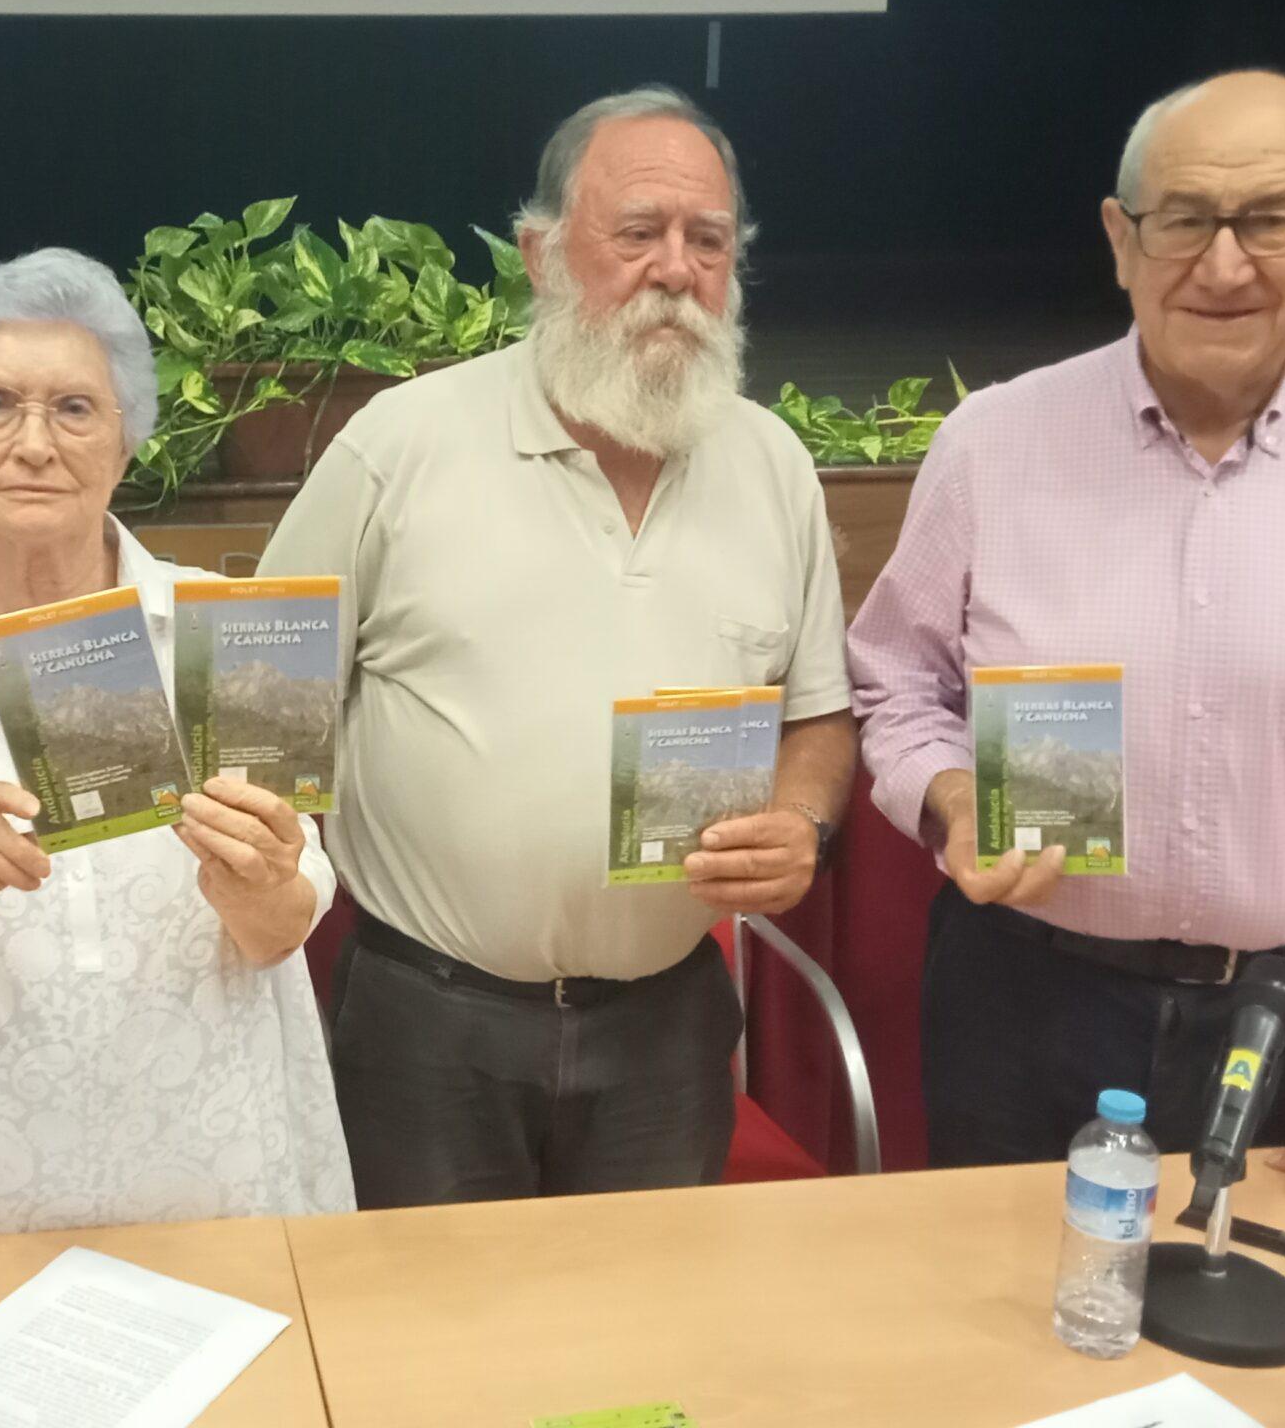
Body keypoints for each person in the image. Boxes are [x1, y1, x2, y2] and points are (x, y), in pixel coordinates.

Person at [847, 71, 1285, 1203]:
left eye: (1267, 219)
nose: (1221, 265)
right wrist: (953, 797)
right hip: (1018, 1004)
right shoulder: (993, 444)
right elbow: (894, 685)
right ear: (1120, 239)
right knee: (992, 1351)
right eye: (1183, 221)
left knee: (1270, 1359)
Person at [256, 86, 857, 1208]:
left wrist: (804, 824)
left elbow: (817, 716)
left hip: (668, 1028)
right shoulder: (399, 447)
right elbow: (256, 707)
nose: (674, 269)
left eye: (706, 240)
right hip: (426, 1027)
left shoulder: (771, 463)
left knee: (638, 1348)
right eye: (636, 234)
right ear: (539, 255)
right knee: (436, 1349)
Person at [0, 247, 353, 1242]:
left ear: (128, 440)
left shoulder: (229, 628)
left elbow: (286, 925)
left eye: (75, 409)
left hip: (218, 1171)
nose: (33, 444)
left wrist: (256, 886)